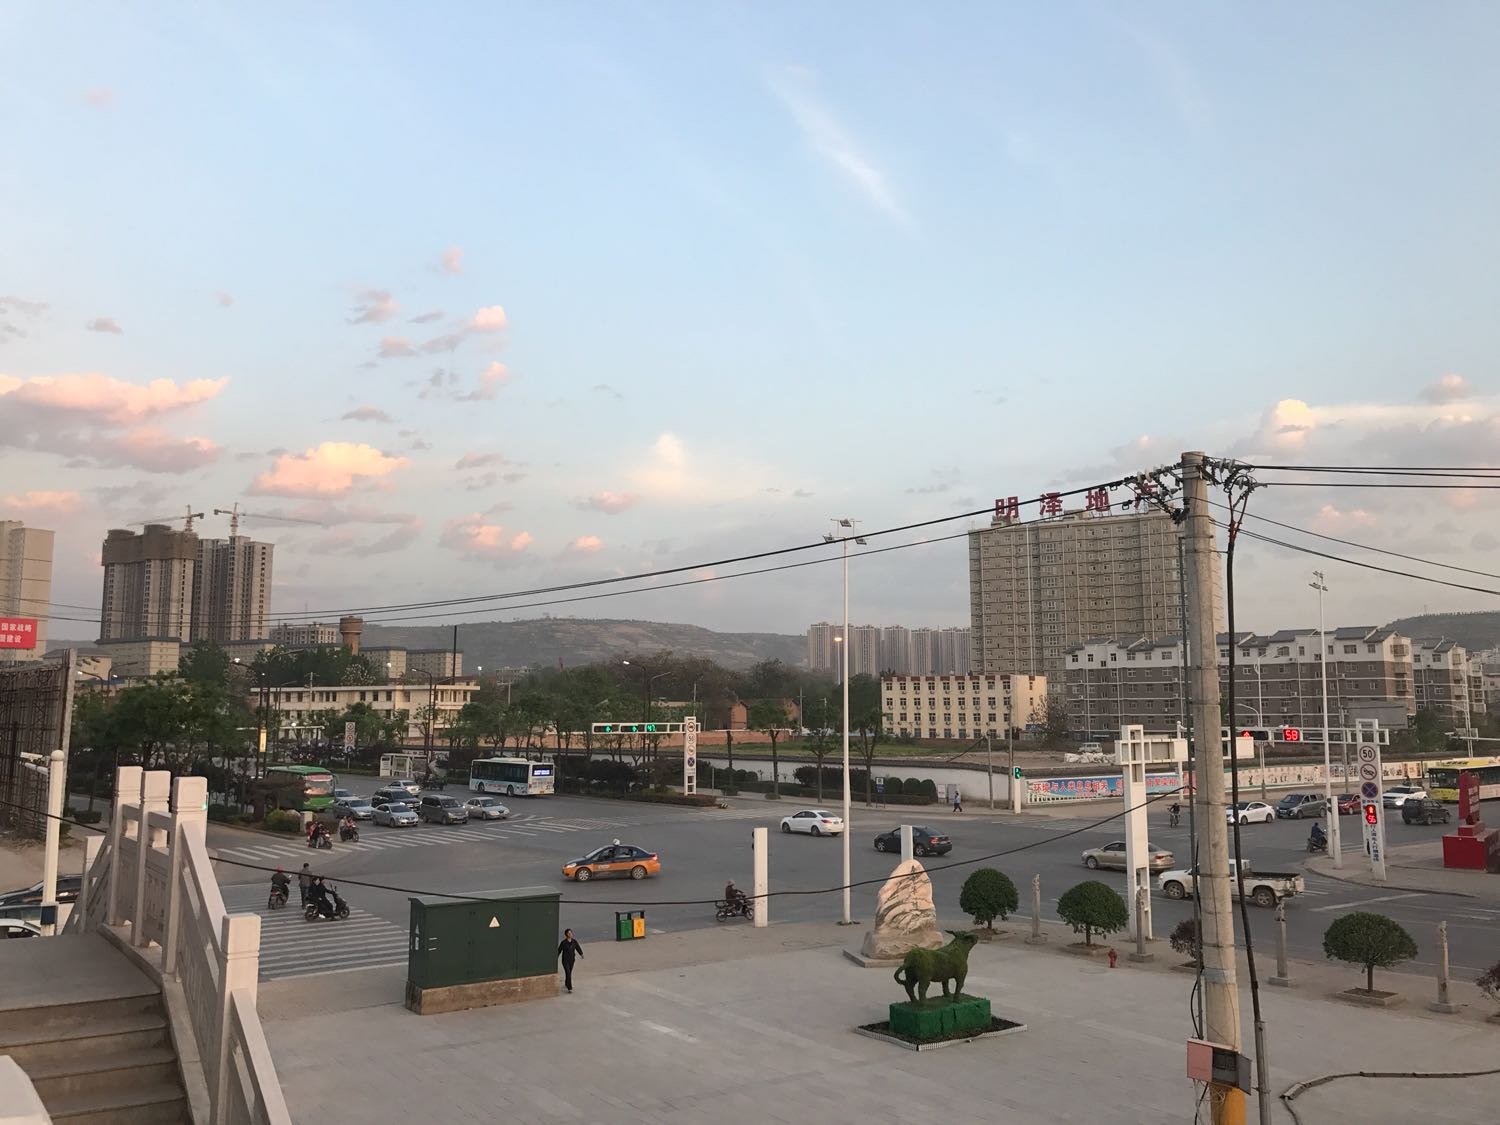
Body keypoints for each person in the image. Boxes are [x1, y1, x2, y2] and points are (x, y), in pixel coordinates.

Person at [557, 928, 583, 993]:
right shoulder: (563, 943)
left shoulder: (574, 941)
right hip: (565, 960)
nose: (570, 934)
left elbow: (578, 948)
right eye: (569, 933)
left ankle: (566, 983)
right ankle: (569, 988)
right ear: (566, 935)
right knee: (568, 973)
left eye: (571, 933)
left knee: (569, 973)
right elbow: (559, 951)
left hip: (572, 960)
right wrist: (555, 958)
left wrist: (581, 954)